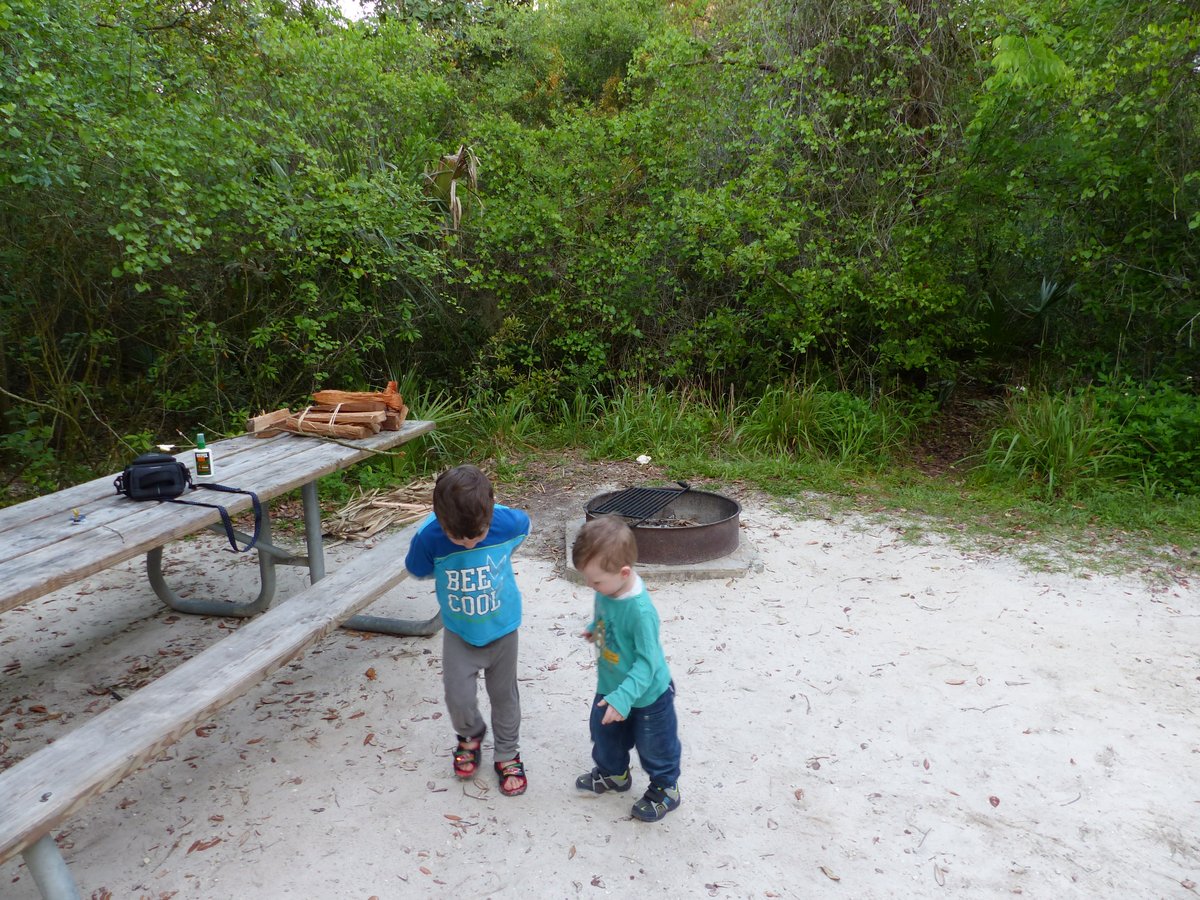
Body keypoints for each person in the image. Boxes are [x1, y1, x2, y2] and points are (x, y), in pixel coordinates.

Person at [405, 465, 531, 796]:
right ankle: (470, 734)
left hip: (503, 628)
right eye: (457, 538)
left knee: (505, 697)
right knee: (457, 695)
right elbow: (416, 567)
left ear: (490, 513)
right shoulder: (429, 536)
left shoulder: (506, 523)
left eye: (478, 535)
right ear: (440, 520)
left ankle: (507, 753)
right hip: (460, 632)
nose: (469, 543)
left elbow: (524, 527)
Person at [571, 515, 682, 822]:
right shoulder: (606, 590)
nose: (590, 586)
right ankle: (614, 774)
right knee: (604, 735)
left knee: (655, 747)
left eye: (596, 581)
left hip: (647, 696)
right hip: (610, 685)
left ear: (623, 573)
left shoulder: (641, 612)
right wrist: (596, 628)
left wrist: (624, 699)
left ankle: (666, 788)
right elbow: (606, 613)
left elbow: (647, 663)